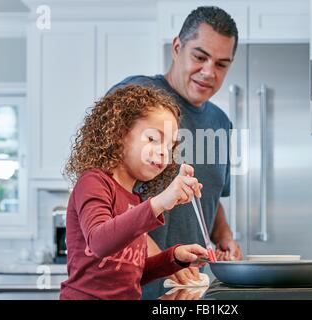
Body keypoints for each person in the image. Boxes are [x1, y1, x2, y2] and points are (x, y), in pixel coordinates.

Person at [108, 6, 242, 299]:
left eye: (221, 64)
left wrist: (224, 235)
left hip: (188, 291)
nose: (209, 72)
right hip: (130, 288)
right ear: (177, 47)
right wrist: (162, 258)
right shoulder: (136, 95)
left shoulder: (221, 123)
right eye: (200, 57)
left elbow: (210, 195)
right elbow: (99, 186)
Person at [60, 85, 208, 300]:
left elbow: (130, 273)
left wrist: (173, 258)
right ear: (119, 134)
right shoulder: (93, 182)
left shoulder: (134, 198)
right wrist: (160, 201)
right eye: (153, 139)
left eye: (169, 146)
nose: (163, 152)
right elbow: (99, 242)